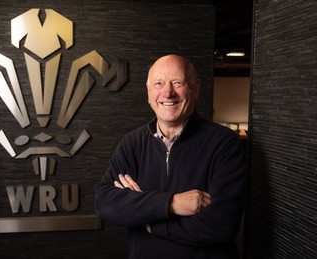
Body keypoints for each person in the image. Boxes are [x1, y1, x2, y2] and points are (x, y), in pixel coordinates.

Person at [95, 54, 247, 259]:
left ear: (196, 88)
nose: (168, 92)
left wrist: (147, 221)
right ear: (148, 92)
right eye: (158, 83)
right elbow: (105, 202)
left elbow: (221, 225)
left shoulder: (225, 144)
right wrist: (172, 204)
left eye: (178, 82)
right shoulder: (132, 143)